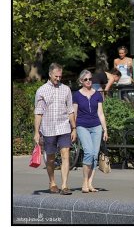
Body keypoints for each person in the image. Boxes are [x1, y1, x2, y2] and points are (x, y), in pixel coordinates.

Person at [34, 63, 76, 195]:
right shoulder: (41, 90)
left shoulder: (66, 89)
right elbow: (38, 112)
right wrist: (36, 132)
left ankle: (64, 185)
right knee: (50, 158)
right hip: (48, 129)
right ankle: (52, 182)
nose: (58, 78)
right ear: (50, 74)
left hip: (64, 127)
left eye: (60, 76)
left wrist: (73, 128)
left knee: (65, 155)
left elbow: (70, 110)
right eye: (56, 76)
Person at [73, 69, 108, 193]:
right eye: (86, 79)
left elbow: (100, 113)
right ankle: (84, 182)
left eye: (90, 79)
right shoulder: (76, 95)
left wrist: (105, 129)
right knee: (88, 152)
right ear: (81, 81)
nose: (88, 81)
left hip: (96, 126)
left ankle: (90, 183)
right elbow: (75, 114)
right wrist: (73, 129)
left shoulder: (97, 94)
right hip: (82, 126)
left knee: (94, 154)